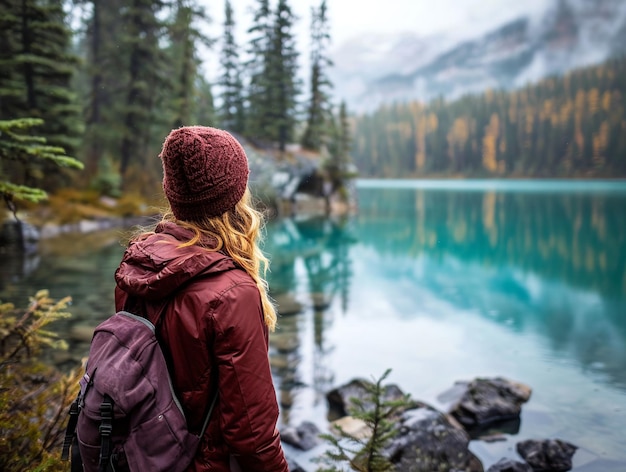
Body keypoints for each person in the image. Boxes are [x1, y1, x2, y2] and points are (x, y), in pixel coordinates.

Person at [113, 126, 289, 471]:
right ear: (236, 195)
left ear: (173, 194)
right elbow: (252, 436)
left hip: (143, 455)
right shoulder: (232, 293)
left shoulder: (137, 266)